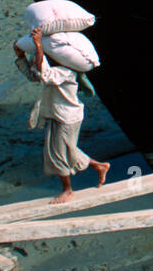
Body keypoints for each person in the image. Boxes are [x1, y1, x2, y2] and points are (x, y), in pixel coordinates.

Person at [15, 29, 109, 203]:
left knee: (57, 153)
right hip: (57, 114)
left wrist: (38, 45)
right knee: (70, 151)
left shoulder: (67, 72)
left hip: (68, 117)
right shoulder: (55, 70)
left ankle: (67, 190)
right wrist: (21, 57)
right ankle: (100, 166)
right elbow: (34, 76)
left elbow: (45, 75)